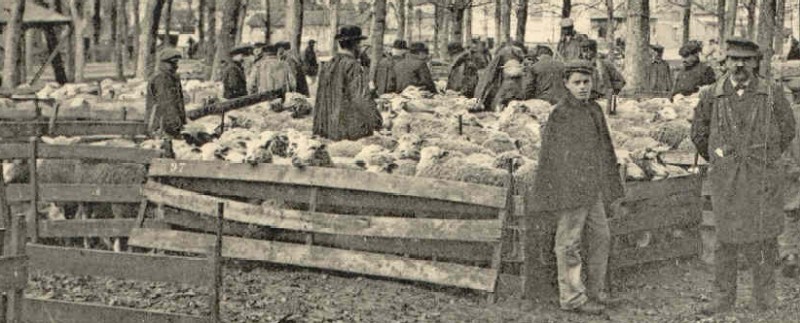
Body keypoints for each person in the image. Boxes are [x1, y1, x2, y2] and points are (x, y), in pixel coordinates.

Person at [691, 37, 796, 315]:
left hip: (762, 178)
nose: (739, 65)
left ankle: (764, 299)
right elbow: (699, 135)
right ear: (724, 62)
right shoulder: (710, 95)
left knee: (763, 239)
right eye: (734, 59)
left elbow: (787, 131)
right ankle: (722, 299)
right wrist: (722, 159)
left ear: (756, 63)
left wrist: (760, 158)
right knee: (725, 240)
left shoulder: (772, 93)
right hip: (726, 179)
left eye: (746, 60)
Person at [527, 60, 624, 315]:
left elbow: (605, 149)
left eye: (586, 82)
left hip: (592, 189)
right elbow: (553, 157)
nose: (582, 87)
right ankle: (572, 297)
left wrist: (610, 186)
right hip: (570, 190)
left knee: (601, 237)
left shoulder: (594, 110)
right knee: (568, 243)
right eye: (577, 83)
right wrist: (564, 189)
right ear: (566, 84)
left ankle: (595, 290)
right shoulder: (561, 113)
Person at [313, 25, 382, 141]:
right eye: (360, 44)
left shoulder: (328, 64)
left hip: (325, 127)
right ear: (355, 44)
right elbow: (360, 98)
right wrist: (376, 120)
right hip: (345, 131)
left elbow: (319, 98)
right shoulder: (353, 65)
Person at [146, 48, 187, 137]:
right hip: (162, 127)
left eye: (176, 63)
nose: (175, 66)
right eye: (172, 63)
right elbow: (166, 104)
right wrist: (177, 127)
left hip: (170, 126)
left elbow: (178, 103)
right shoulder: (161, 79)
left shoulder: (171, 78)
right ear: (163, 64)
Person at [473, 42, 527, 111]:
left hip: (506, 91)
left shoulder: (503, 54)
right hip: (516, 92)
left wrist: (479, 98)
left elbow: (488, 78)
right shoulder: (518, 61)